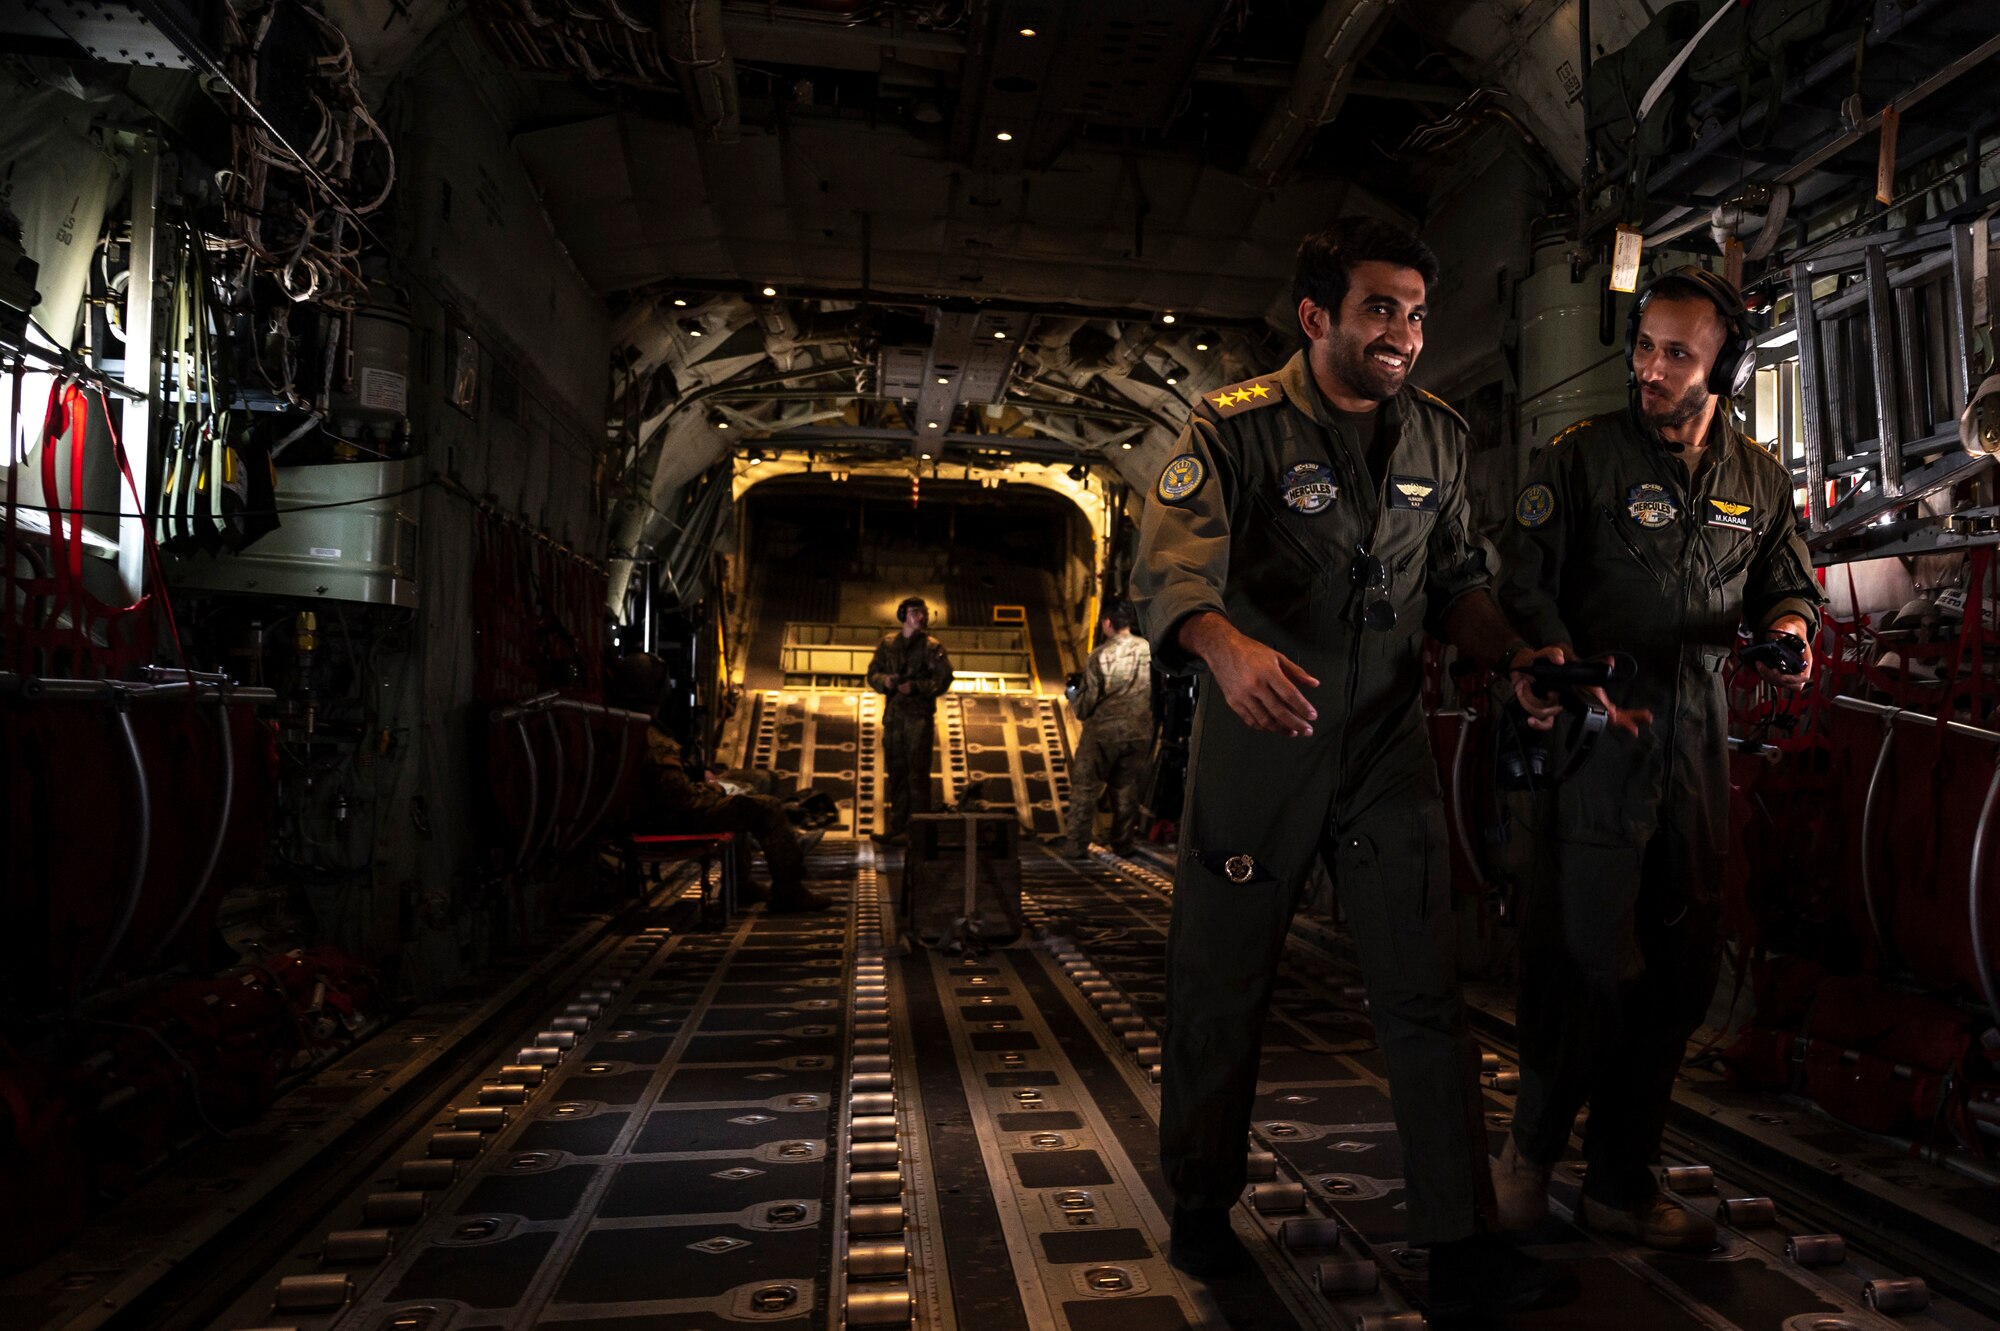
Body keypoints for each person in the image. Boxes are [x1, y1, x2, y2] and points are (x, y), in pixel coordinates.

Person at [1132, 215, 1568, 1320]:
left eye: (1416, 314)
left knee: (1423, 994)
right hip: (1259, 740)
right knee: (1220, 983)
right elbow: (1174, 566)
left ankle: (1458, 1238)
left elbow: (1459, 580)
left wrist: (1512, 658)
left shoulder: (1434, 437)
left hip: (1382, 746)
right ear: (1316, 316)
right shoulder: (1230, 428)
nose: (1404, 333)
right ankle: (1198, 1202)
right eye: (1380, 308)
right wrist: (1223, 649)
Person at [1493, 266, 1821, 1249]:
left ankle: (1620, 1180)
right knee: (1584, 962)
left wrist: (1790, 629)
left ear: (1722, 363)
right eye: (1643, 346)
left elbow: (1784, 581)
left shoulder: (1755, 477)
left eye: (1673, 352)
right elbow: (1521, 580)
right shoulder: (1580, 460)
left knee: (1678, 970)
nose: (1646, 367)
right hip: (1597, 729)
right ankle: (1528, 1154)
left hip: (1695, 738)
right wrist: (1545, 649)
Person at [607, 653, 828, 913]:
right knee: (764, 807)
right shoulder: (652, 739)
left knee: (747, 791)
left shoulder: (626, 723)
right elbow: (682, 798)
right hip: (663, 821)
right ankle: (789, 891)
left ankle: (742, 883)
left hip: (649, 814)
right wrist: (718, 789)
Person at [1058, 596, 1153, 857]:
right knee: (1125, 787)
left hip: (1103, 733)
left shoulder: (1100, 655)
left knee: (1086, 788)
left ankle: (1076, 846)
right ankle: (1123, 844)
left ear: (1108, 623)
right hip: (1139, 731)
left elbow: (1085, 706)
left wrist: (1072, 694)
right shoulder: (1148, 650)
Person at [867, 596, 954, 844]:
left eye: (924, 613)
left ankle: (917, 831)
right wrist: (884, 681)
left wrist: (916, 686)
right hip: (894, 716)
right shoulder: (888, 644)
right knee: (896, 772)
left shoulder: (932, 646)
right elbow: (872, 673)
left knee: (917, 773)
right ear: (904, 614)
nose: (922, 617)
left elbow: (944, 679)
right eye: (916, 612)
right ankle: (897, 825)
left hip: (918, 717)